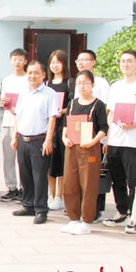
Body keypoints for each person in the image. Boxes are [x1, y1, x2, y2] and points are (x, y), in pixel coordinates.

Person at [102, 50, 136, 229]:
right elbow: (110, 113)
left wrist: (134, 124)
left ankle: (135, 216)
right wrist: (108, 137)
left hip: (134, 142)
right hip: (115, 140)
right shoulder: (115, 87)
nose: (125, 64)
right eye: (123, 61)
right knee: (117, 179)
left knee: (134, 181)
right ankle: (122, 212)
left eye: (129, 61)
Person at [60, 70, 108, 235]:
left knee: (88, 185)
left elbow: (103, 129)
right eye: (79, 83)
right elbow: (66, 125)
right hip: (72, 147)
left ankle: (86, 221)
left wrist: (93, 141)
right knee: (70, 182)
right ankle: (73, 218)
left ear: (92, 84)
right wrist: (64, 137)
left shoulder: (98, 105)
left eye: (86, 83)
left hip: (89, 148)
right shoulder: (72, 104)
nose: (82, 86)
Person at [10, 61, 59, 224]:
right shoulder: (23, 92)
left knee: (39, 177)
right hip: (22, 139)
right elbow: (18, 116)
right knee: (25, 175)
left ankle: (41, 210)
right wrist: (14, 136)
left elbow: (52, 118)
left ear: (43, 75)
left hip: (39, 140)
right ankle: (28, 205)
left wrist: (48, 140)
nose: (32, 76)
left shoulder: (50, 93)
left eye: (36, 73)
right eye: (30, 73)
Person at [74, 49, 110, 223]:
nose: (81, 63)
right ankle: (81, 208)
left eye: (85, 59)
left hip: (95, 138)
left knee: (95, 175)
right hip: (79, 138)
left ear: (93, 62)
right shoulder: (78, 83)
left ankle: (96, 209)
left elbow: (106, 111)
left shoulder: (101, 83)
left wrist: (104, 138)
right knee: (80, 174)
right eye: (78, 60)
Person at [0, 48, 28, 202]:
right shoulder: (6, 80)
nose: (17, 62)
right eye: (15, 59)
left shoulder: (28, 79)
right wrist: (2, 101)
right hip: (8, 122)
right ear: (10, 61)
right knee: (8, 158)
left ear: (25, 61)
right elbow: (2, 101)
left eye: (20, 59)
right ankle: (11, 187)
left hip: (24, 123)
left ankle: (24, 188)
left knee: (22, 158)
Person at [46, 50, 73, 211]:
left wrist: (62, 111)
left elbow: (74, 104)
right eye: (52, 62)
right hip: (49, 125)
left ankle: (59, 196)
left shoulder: (69, 82)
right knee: (49, 161)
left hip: (63, 125)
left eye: (58, 62)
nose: (55, 65)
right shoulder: (46, 84)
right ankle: (50, 194)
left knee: (61, 161)